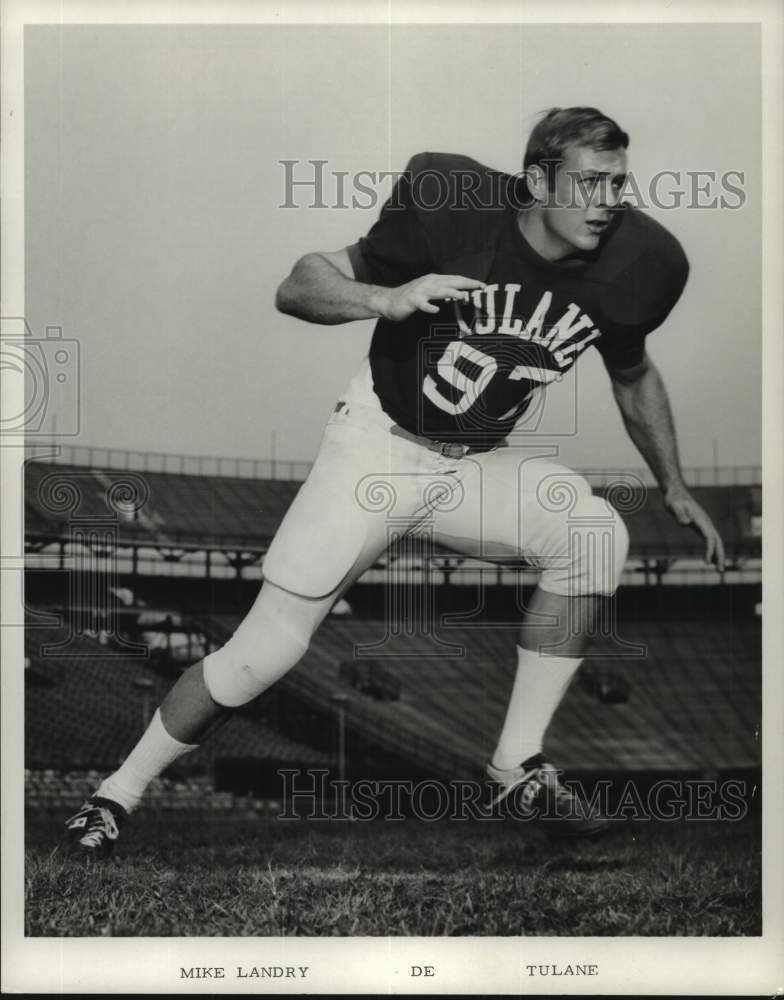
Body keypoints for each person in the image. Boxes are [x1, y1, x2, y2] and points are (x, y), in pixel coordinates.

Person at [65, 107, 725, 854]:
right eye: (590, 183)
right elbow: (298, 284)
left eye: (618, 182)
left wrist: (670, 480)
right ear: (537, 180)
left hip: (471, 466)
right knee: (263, 654)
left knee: (595, 534)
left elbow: (632, 371)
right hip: (377, 447)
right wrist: (383, 299)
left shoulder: (642, 262)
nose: (608, 201)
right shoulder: (452, 203)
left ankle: (517, 765)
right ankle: (115, 795)